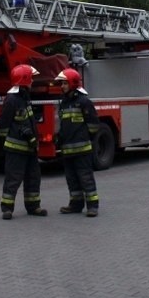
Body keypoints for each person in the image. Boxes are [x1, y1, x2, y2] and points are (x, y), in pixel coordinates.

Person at [0, 64, 47, 220]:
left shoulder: (25, 97)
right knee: (13, 178)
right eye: (30, 78)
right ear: (25, 79)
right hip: (16, 148)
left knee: (33, 177)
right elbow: (3, 125)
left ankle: (33, 206)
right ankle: (7, 208)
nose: (32, 81)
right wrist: (14, 138)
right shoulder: (12, 99)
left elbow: (28, 121)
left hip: (30, 148)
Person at [55, 68, 100, 217]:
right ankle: (75, 204)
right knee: (72, 180)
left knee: (86, 178)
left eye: (64, 83)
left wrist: (84, 137)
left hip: (82, 150)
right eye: (61, 83)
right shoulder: (64, 102)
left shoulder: (83, 102)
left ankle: (92, 206)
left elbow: (93, 125)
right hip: (67, 150)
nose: (62, 86)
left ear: (73, 83)